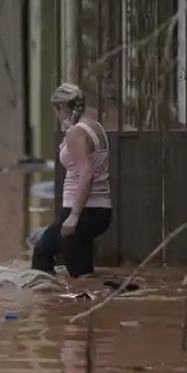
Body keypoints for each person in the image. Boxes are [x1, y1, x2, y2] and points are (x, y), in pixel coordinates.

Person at [31, 82, 112, 278]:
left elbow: (86, 172)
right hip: (100, 210)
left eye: (56, 110)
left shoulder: (76, 133)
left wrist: (74, 215)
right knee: (82, 273)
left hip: (83, 210)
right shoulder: (95, 127)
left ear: (62, 107)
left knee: (44, 253)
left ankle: (45, 296)